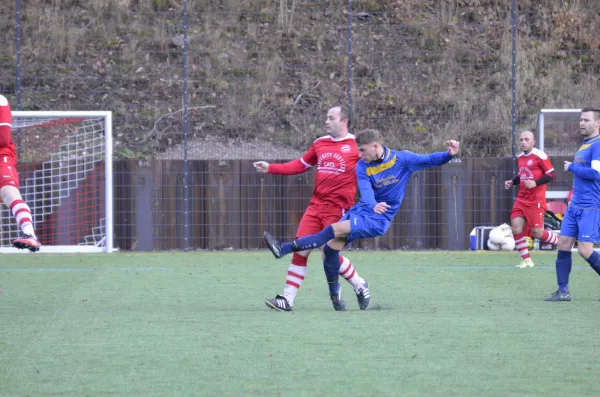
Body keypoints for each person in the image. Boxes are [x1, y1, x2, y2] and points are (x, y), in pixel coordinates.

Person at [264, 129, 459, 308]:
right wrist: (373, 204)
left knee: (332, 230)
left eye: (363, 150)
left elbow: (430, 160)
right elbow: (365, 192)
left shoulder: (402, 159)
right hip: (361, 211)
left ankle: (284, 248)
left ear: (375, 146)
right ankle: (341, 295)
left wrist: (449, 154)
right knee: (331, 251)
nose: (360, 154)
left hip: (378, 220)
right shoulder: (361, 165)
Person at [254, 106, 369, 312]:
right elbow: (300, 165)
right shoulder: (319, 143)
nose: (326, 121)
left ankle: (359, 284)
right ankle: (287, 299)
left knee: (329, 254)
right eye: (326, 117)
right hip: (316, 207)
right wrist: (270, 168)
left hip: (339, 210)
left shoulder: (355, 146)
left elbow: (374, 166)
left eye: (331, 118)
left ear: (344, 122)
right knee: (300, 249)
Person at [545, 107, 600, 301]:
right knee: (563, 244)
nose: (582, 123)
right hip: (575, 206)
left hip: (590, 207)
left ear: (597, 123)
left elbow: (596, 174)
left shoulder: (598, 144)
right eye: (581, 120)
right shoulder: (586, 144)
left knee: (585, 250)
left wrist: (572, 167)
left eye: (586, 120)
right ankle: (563, 292)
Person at [504, 131, 559, 268]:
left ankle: (562, 241)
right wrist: (512, 181)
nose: (523, 142)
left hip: (536, 201)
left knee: (538, 233)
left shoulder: (540, 156)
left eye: (526, 139)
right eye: (521, 139)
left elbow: (551, 175)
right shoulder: (520, 157)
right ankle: (527, 260)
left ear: (533, 142)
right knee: (516, 228)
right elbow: (522, 175)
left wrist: (536, 182)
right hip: (521, 199)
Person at [0, 95, 41, 252]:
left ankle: (29, 234)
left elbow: (2, 138)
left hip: (1, 156)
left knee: (8, 192)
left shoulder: (0, 101)